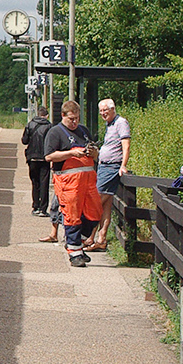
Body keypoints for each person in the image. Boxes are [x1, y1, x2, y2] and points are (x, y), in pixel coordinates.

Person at [43, 100, 101, 267]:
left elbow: (95, 156)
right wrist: (71, 153)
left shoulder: (83, 131)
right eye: (71, 119)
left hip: (88, 180)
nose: (75, 122)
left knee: (95, 213)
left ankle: (77, 243)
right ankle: (75, 253)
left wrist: (93, 152)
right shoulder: (55, 132)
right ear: (63, 115)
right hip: (68, 182)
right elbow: (48, 156)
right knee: (72, 215)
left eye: (77, 118)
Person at [88, 99, 130, 250]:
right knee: (105, 205)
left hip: (111, 167)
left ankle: (89, 237)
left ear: (113, 109)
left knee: (96, 203)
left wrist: (123, 165)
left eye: (105, 110)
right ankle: (101, 239)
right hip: (104, 166)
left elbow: (126, 145)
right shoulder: (109, 124)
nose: (102, 113)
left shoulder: (121, 123)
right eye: (100, 111)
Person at [22, 105, 53, 217]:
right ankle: (43, 209)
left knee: (35, 183)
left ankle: (35, 206)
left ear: (38, 114)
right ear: (46, 115)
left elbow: (24, 141)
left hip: (32, 158)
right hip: (45, 158)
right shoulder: (49, 126)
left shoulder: (30, 124)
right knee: (44, 183)